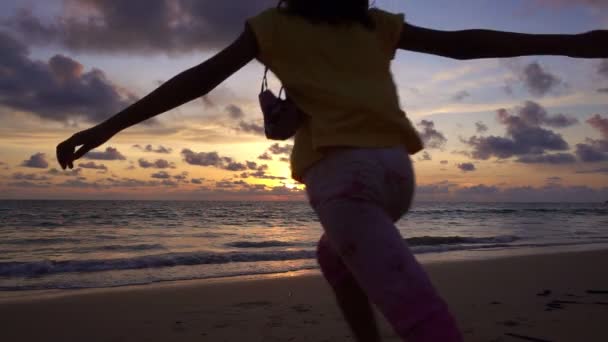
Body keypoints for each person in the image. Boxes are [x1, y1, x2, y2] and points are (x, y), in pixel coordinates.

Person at [57, 1, 607, 341]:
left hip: (344, 182)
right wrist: (570, 43)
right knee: (333, 256)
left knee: (422, 319)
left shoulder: (272, 26)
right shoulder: (373, 24)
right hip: (396, 175)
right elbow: (464, 44)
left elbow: (196, 81)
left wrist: (107, 128)